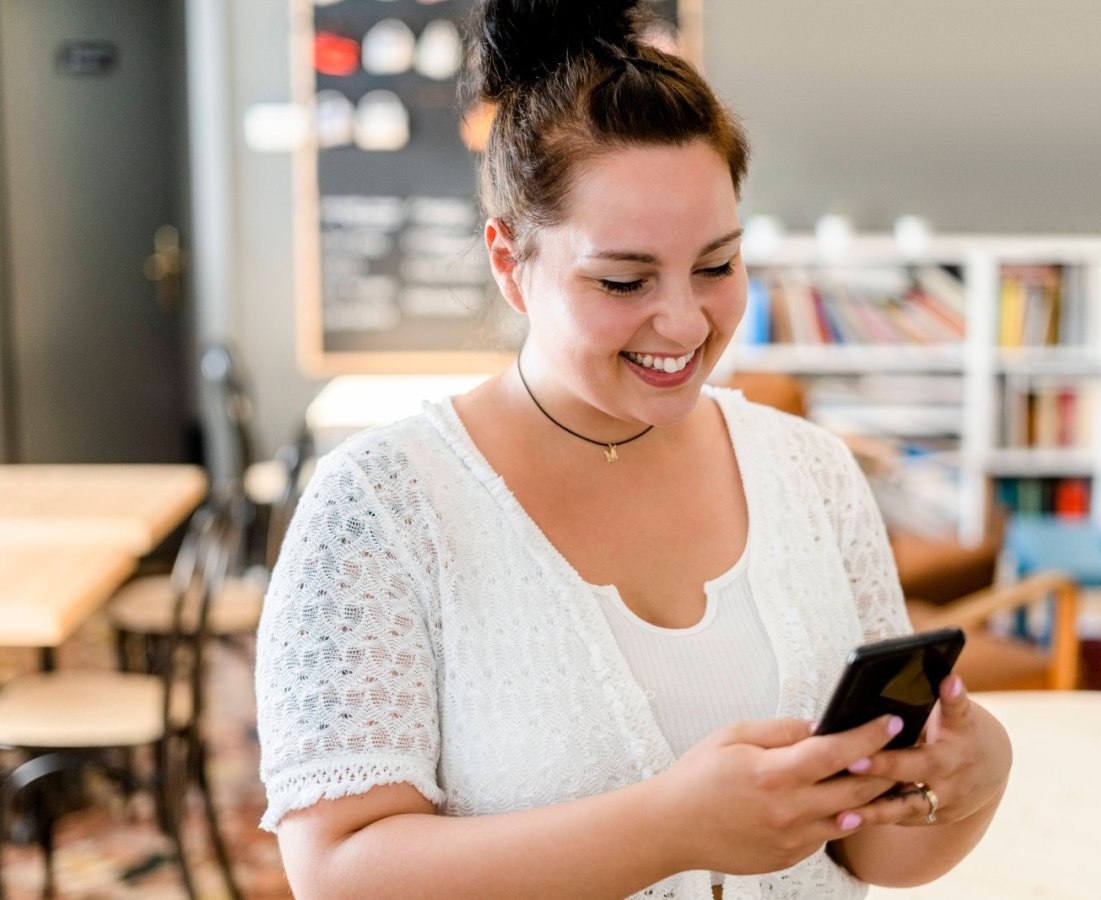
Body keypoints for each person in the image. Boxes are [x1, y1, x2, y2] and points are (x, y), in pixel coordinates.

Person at [254, 1, 1012, 897]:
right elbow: (337, 874)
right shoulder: (382, 507)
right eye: (624, 279)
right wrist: (672, 826)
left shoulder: (810, 471)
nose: (685, 322)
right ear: (510, 262)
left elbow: (872, 851)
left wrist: (976, 777)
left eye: (718, 265)